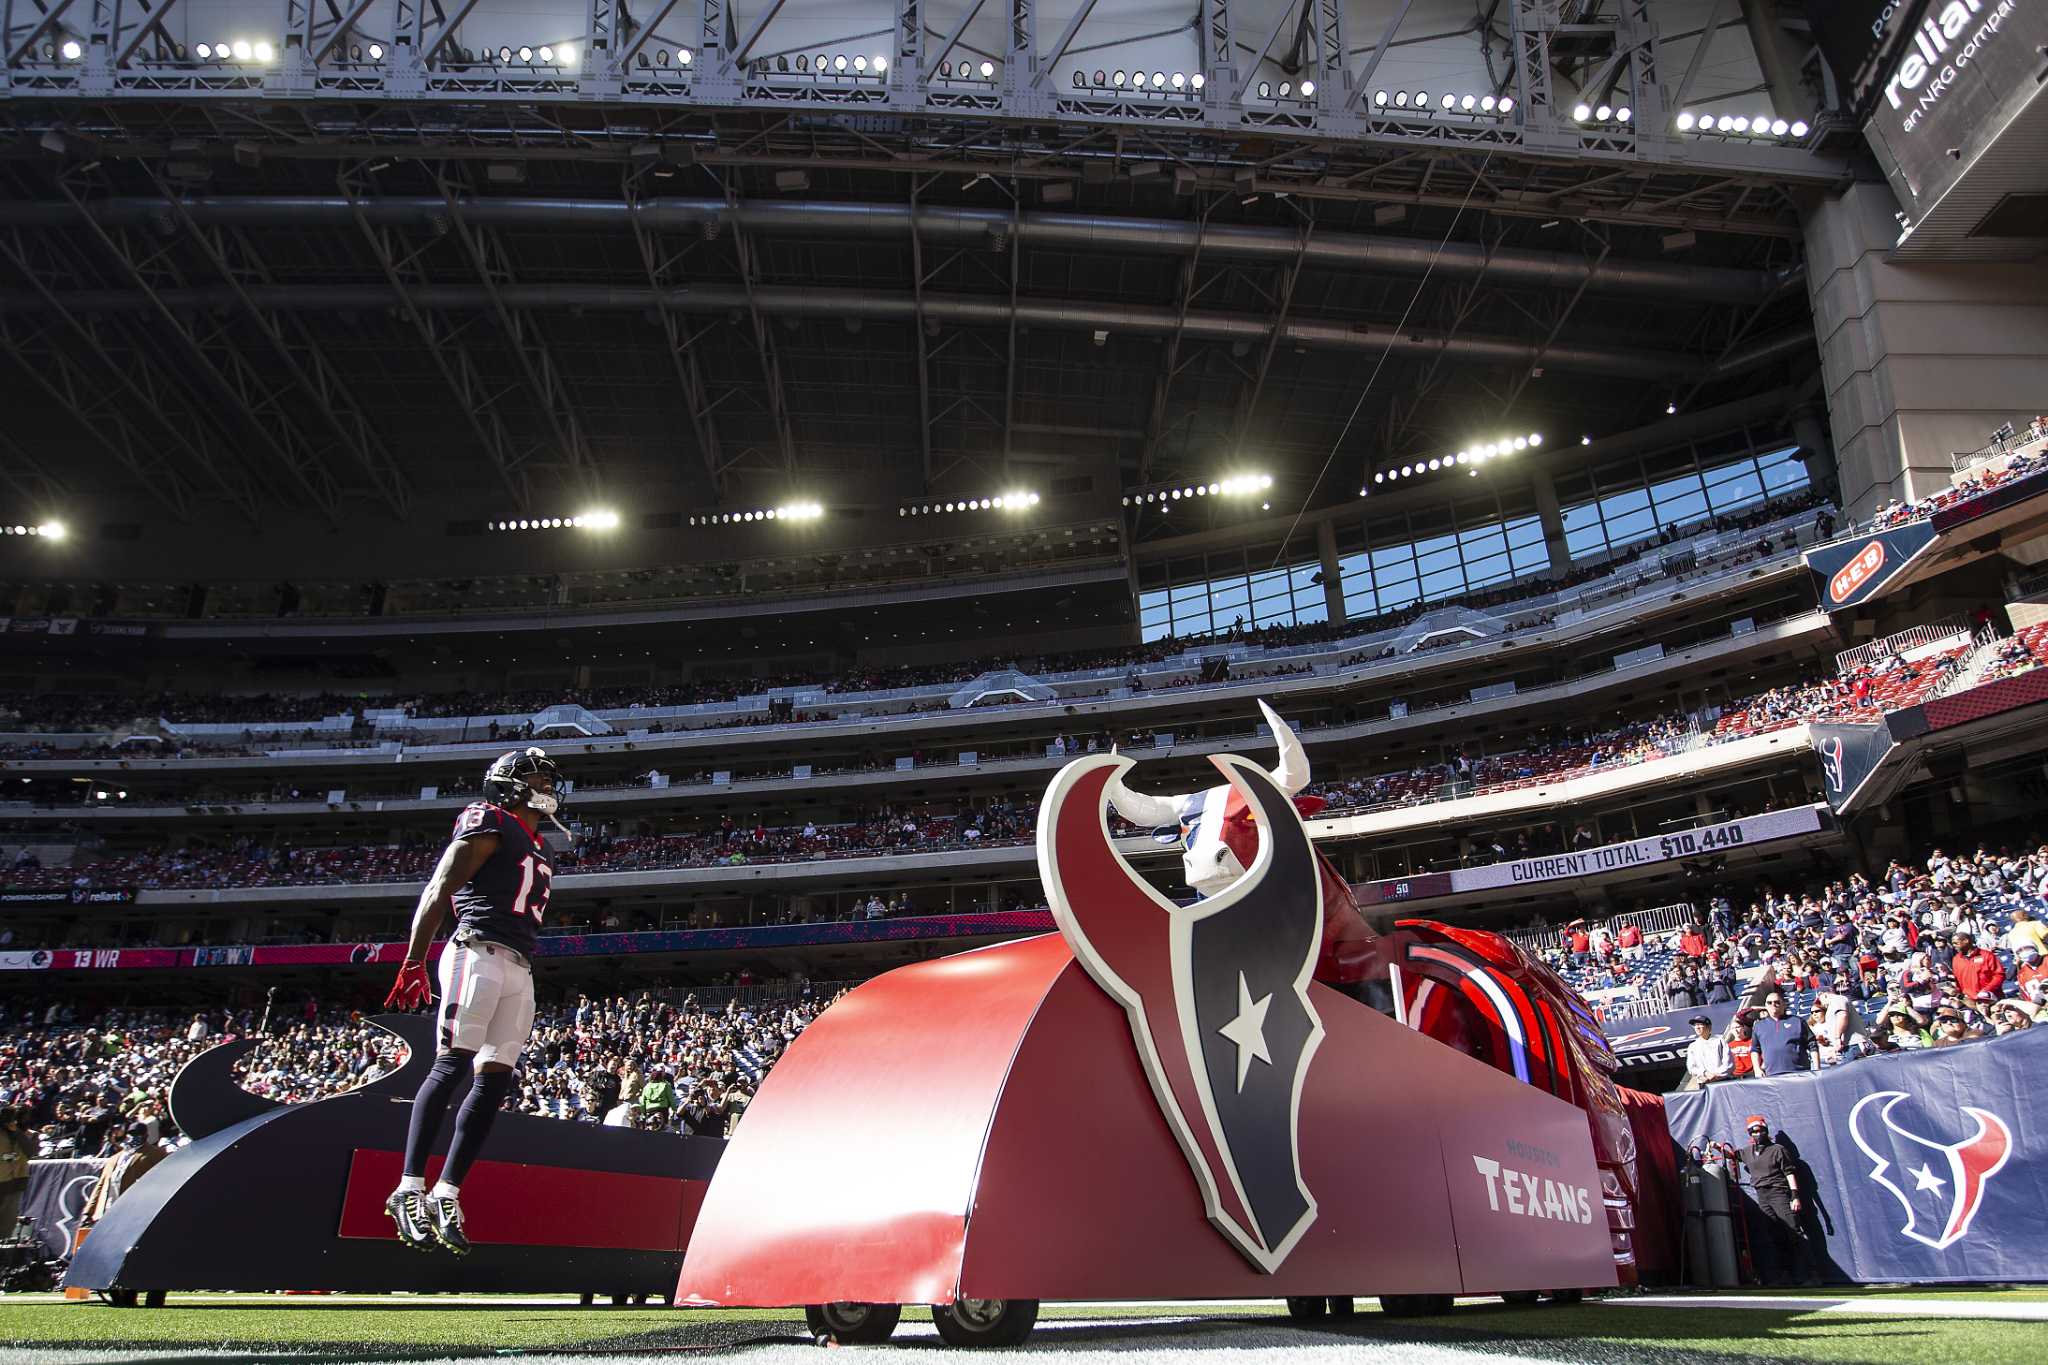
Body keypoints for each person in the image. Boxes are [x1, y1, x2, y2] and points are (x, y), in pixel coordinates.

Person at [381, 747, 567, 1255]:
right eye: (537, 774)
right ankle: (409, 1187)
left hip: (519, 964)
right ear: (509, 783)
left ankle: (447, 1192)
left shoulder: (540, 844)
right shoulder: (489, 820)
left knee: (495, 1077)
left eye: (550, 775)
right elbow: (441, 885)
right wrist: (413, 960)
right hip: (475, 951)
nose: (547, 782)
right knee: (451, 1065)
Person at [1724, 1115, 1813, 1285]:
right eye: (1754, 1131)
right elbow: (1732, 1155)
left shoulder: (1778, 1149)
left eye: (1760, 1130)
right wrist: (1717, 1147)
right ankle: (1784, 1276)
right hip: (1762, 1195)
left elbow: (1789, 1172)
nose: (1757, 1134)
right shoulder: (1747, 1152)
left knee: (1795, 1233)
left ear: (1765, 1131)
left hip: (1779, 1192)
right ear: (1750, 1133)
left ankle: (1811, 1274)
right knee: (1775, 1235)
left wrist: (1794, 1196)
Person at [1749, 990, 1813, 1077]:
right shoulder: (1759, 1026)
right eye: (1769, 1003)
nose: (1773, 1005)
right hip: (1772, 1075)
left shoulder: (1797, 1021)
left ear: (1784, 1004)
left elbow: (1812, 1044)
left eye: (1777, 1002)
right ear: (1765, 1006)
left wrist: (1817, 1069)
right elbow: (1755, 1049)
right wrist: (1757, 1069)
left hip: (1799, 1073)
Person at [0, 1106, 32, 1235]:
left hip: (16, 1182)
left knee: (8, 1221)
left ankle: (3, 1250)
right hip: (2, 1179)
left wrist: (17, 1132)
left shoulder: (26, 1134)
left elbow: (31, 1152)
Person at [1682, 1015, 1731, 1088]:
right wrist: (1705, 1073)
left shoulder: (1719, 1041)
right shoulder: (1692, 1046)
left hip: (1723, 1082)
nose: (1697, 1027)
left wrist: (1716, 1075)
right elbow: (1691, 1068)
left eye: (1700, 1024)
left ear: (1709, 1027)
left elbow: (1729, 1063)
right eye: (1695, 1025)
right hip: (1704, 1084)